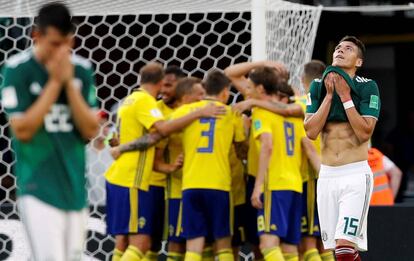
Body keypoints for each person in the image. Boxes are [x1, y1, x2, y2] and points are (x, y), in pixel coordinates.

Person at [0, 2, 100, 260]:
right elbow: (22, 130)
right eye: (54, 43)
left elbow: (90, 129)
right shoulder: (17, 69)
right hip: (37, 187)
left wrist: (69, 84)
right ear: (37, 35)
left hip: (75, 187)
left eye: (65, 44)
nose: (60, 52)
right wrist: (56, 83)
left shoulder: (81, 70)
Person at [105, 63, 224, 261]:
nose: (167, 90)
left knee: (148, 241)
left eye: (171, 86)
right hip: (139, 180)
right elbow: (160, 130)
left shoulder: (132, 100)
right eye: (165, 85)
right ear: (160, 83)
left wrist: (120, 145)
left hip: (155, 181)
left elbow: (130, 135)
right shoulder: (149, 104)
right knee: (139, 241)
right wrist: (197, 113)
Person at [304, 36, 381, 261]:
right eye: (337, 47)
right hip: (327, 175)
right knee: (337, 252)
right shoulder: (318, 86)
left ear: (358, 62)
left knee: (345, 248)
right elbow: (310, 131)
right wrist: (329, 97)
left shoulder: (368, 87)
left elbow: (365, 132)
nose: (340, 50)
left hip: (355, 174)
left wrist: (346, 97)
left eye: (348, 48)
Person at [169, 71, 246, 261]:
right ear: (225, 92)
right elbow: (241, 150)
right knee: (223, 245)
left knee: (193, 246)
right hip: (219, 185)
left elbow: (163, 129)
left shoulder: (186, 111)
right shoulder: (230, 113)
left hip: (191, 185)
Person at [249, 67, 307, 261]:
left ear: (260, 89)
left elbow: (267, 145)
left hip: (273, 184)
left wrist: (258, 186)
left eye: (250, 87)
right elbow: (308, 147)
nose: (248, 91)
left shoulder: (261, 113)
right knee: (290, 249)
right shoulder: (294, 117)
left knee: (268, 244)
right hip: (295, 185)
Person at [146, 65, 186, 261]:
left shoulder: (191, 110)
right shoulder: (153, 110)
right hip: (154, 184)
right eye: (161, 85)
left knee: (181, 240)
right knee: (149, 241)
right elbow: (118, 133)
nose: (163, 90)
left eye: (168, 85)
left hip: (182, 185)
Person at [297, 60, 335, 261]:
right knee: (325, 240)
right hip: (333, 173)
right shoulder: (334, 103)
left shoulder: (301, 103)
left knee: (309, 240)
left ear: (303, 80)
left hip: (312, 176)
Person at [86, 110, 113, 206]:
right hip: (89, 209)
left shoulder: (114, 153)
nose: (105, 129)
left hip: (111, 208)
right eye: (101, 124)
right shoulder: (83, 154)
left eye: (108, 125)